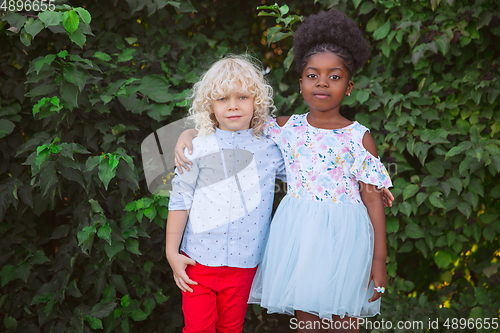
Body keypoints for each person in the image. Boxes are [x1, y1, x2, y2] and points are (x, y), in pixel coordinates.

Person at [175, 9, 394, 332]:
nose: (322, 82)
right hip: (300, 236)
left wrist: (379, 261)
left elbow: (373, 199)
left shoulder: (358, 137)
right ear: (301, 81)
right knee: (308, 320)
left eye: (334, 76)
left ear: (349, 86)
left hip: (344, 238)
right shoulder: (284, 128)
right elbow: (229, 124)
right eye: (312, 75)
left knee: (345, 322)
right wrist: (188, 133)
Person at [165, 54, 286, 333]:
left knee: (232, 329)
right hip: (197, 261)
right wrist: (172, 252)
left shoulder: (270, 152)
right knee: (198, 329)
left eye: (242, 97)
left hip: (244, 264)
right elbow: (181, 199)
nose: (233, 106)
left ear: (257, 102)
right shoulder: (196, 148)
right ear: (210, 105)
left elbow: (307, 180)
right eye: (222, 99)